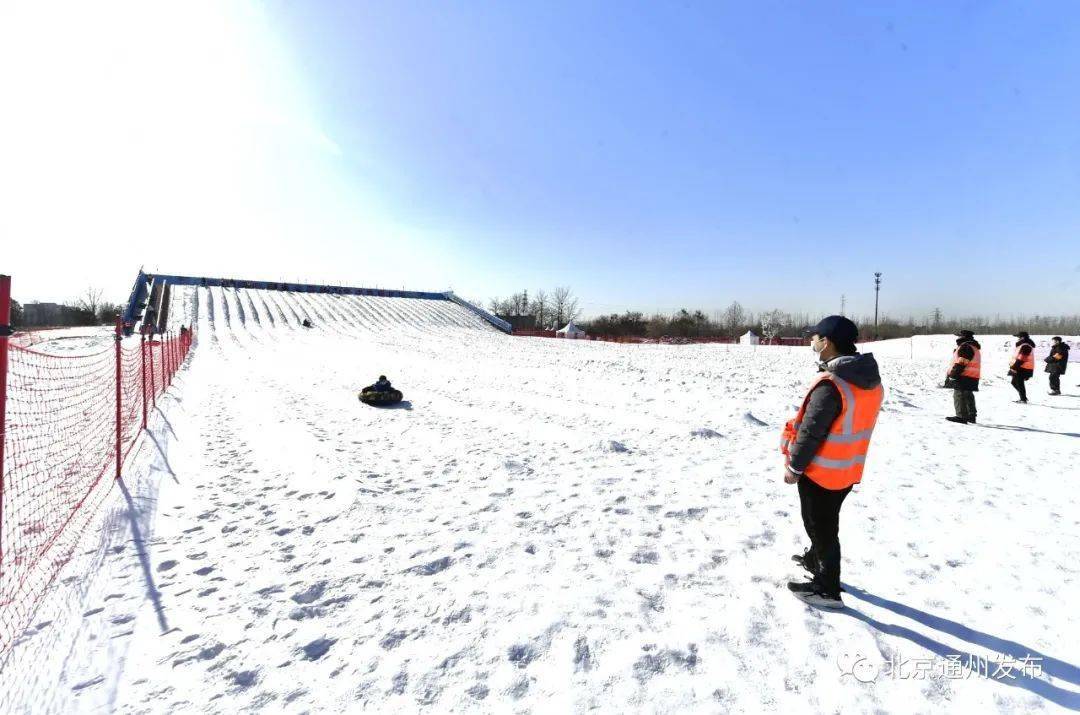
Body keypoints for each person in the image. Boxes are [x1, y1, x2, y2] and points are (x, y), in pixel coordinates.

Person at [780, 315, 884, 609]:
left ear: (827, 342)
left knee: (821, 526)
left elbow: (812, 431)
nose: (811, 342)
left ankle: (827, 588)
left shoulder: (833, 384)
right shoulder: (865, 378)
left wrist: (794, 467)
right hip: (847, 468)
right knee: (824, 522)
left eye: (814, 337)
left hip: (822, 472)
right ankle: (816, 560)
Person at [945, 330, 981, 424]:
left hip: (963, 375)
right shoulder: (973, 346)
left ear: (963, 337)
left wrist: (953, 374)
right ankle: (971, 416)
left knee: (959, 395)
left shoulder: (966, 346)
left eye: (959, 336)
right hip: (971, 376)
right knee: (968, 396)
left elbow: (962, 362)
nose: (958, 338)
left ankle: (961, 417)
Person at [1009, 331, 1036, 403]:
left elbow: (1022, 358)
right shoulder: (1023, 345)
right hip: (1020, 366)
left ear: (1022, 338)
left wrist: (1014, 367)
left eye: (1018, 337)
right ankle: (1023, 397)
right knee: (1014, 382)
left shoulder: (1026, 346)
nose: (1017, 339)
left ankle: (1023, 399)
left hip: (1022, 367)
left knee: (1019, 383)